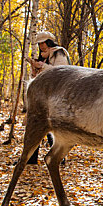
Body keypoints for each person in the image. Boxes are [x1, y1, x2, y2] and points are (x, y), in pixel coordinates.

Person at [26, 31, 71, 164]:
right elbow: (37, 78)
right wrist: (35, 68)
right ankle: (31, 158)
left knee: (53, 128)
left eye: (43, 43)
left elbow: (62, 72)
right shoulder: (43, 56)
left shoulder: (59, 53)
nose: (41, 46)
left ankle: (59, 157)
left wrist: (43, 66)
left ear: (48, 42)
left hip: (57, 96)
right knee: (37, 127)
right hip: (42, 96)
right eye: (39, 43)